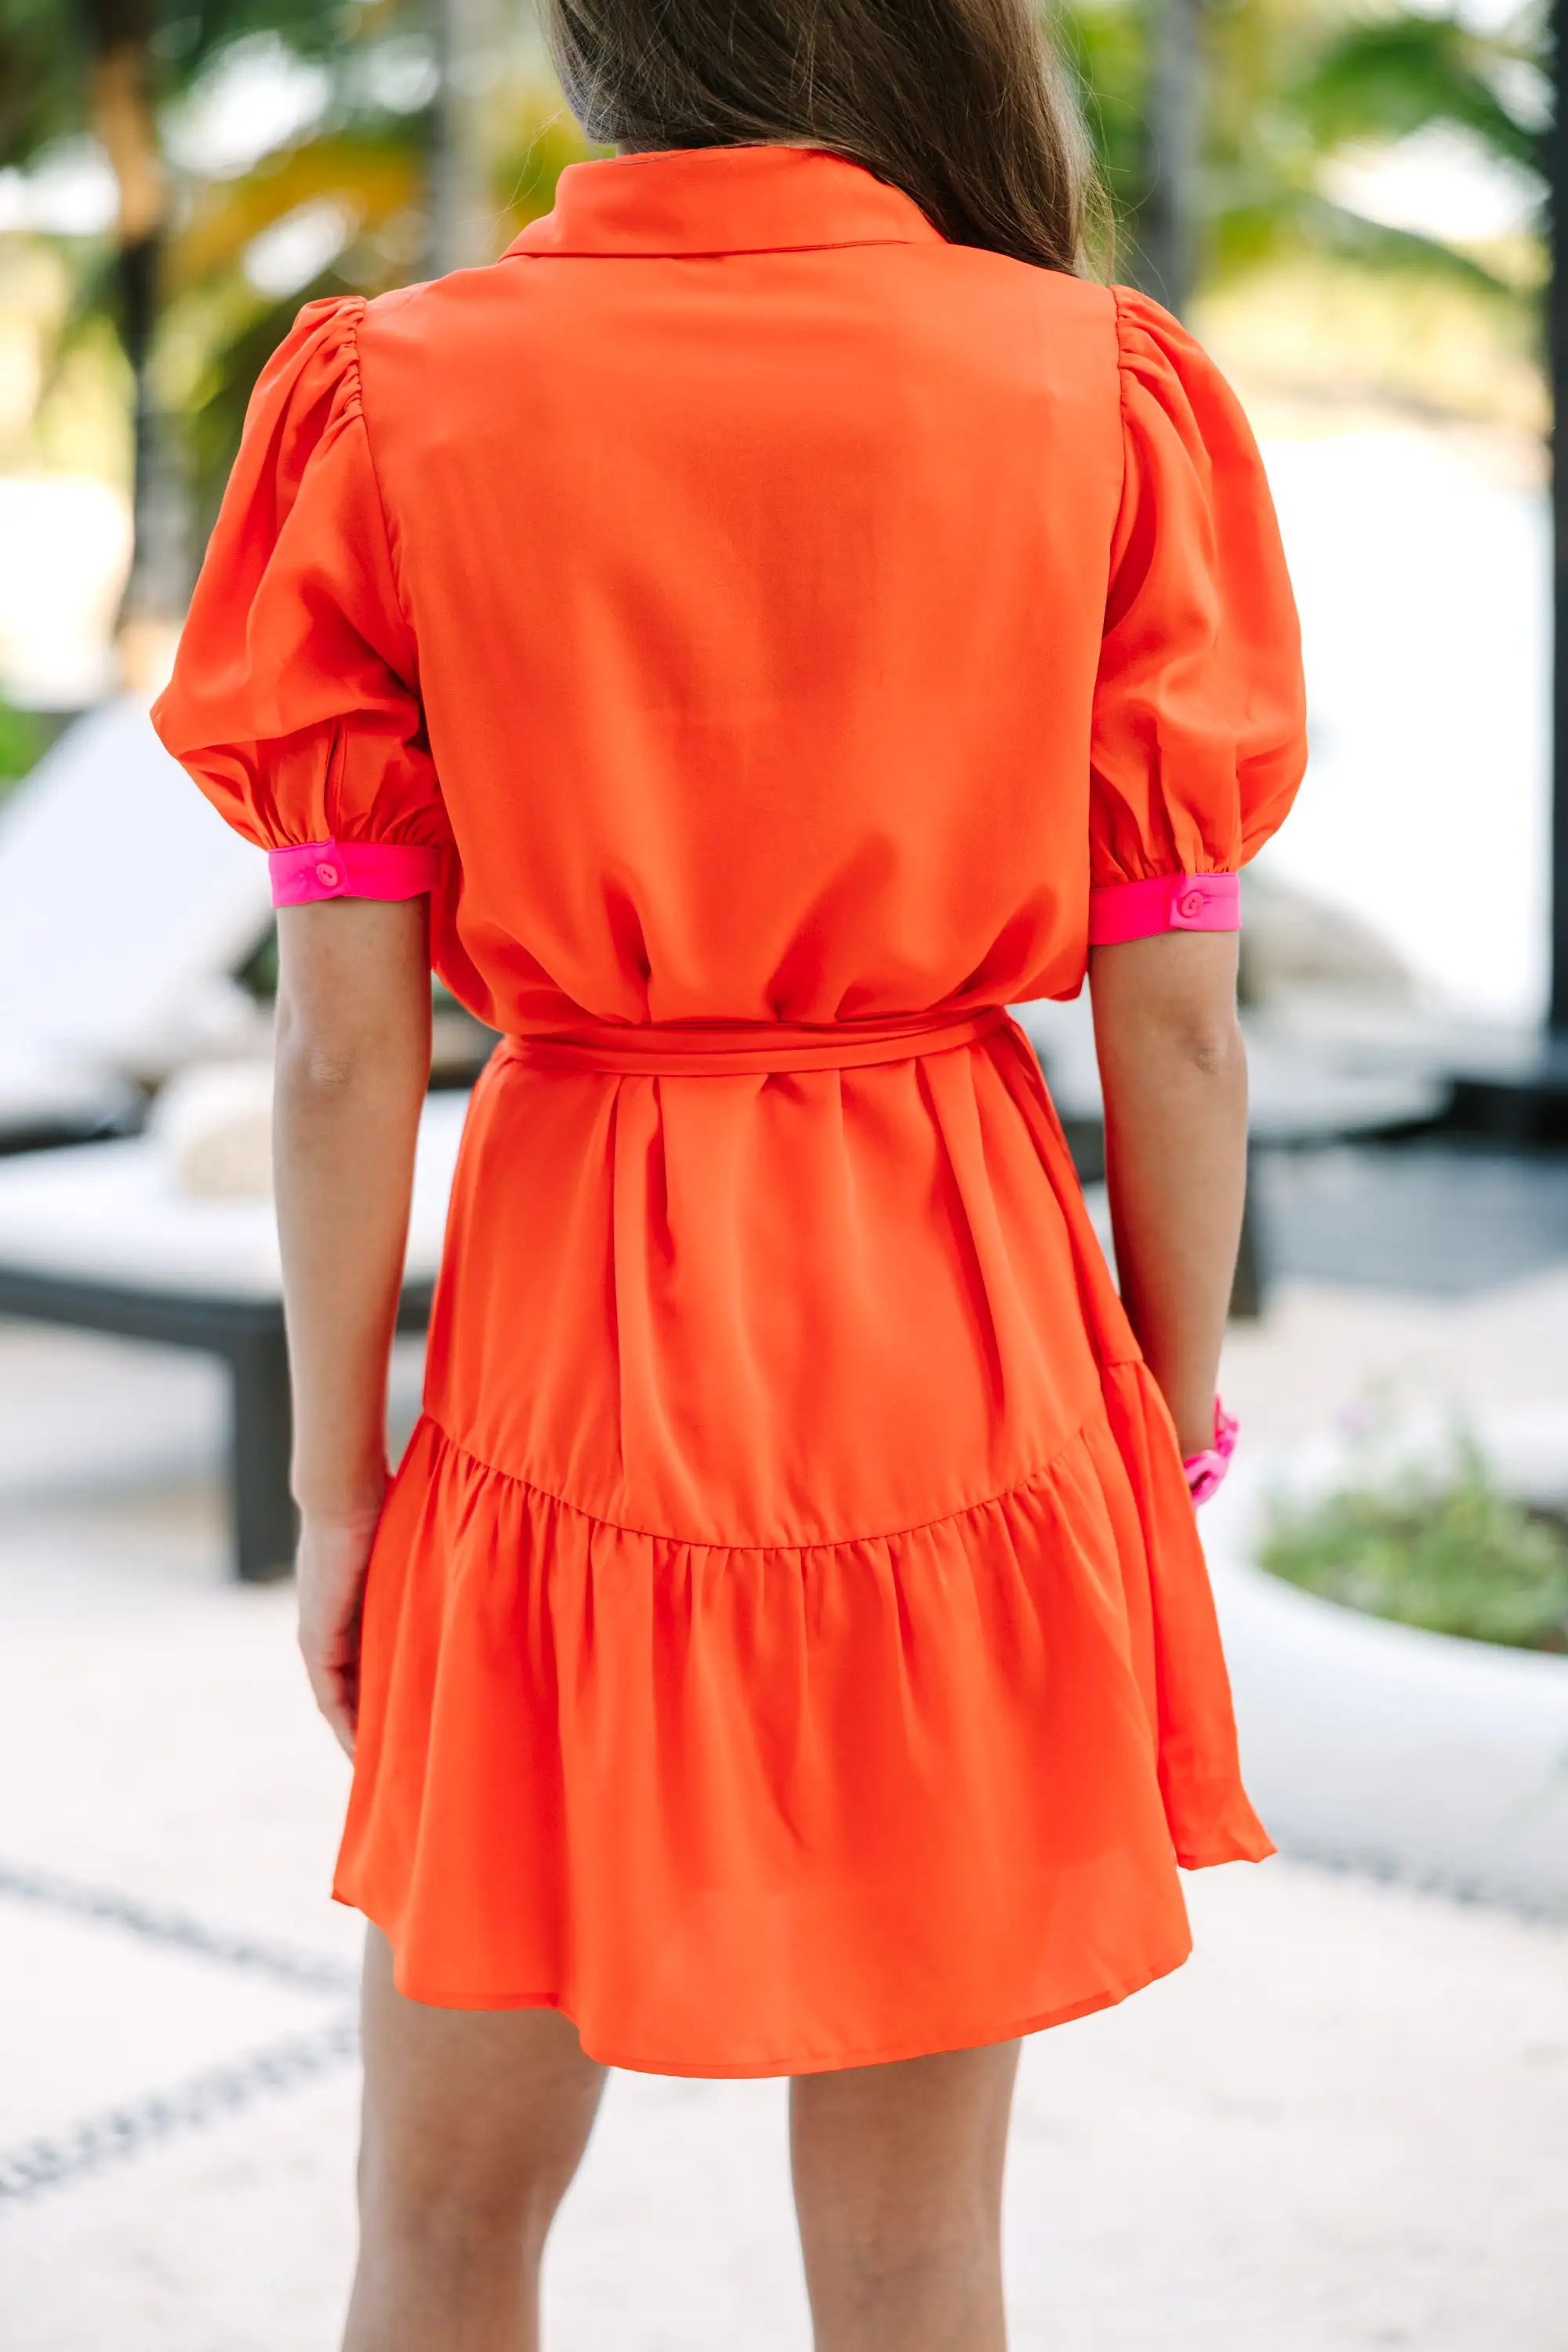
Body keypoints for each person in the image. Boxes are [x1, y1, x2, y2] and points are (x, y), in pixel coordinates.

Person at [153, 0, 1305, 2340]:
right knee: (912, 2252)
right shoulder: (1096, 385)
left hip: (573, 1325)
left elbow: (337, 1051)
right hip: (954, 1310)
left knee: (445, 2214)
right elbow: (1175, 1010)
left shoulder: (393, 395)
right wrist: (1162, 1403)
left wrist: (336, 1491)